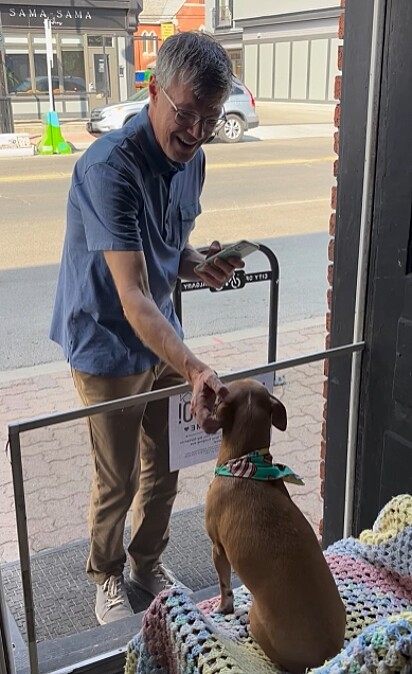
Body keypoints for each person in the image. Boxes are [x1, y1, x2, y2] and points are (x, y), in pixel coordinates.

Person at [50, 31, 243, 625]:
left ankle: (145, 562)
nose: (195, 132)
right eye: (186, 114)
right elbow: (131, 295)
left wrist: (195, 263)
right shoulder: (108, 167)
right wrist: (195, 366)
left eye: (210, 119)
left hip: (164, 335)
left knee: (168, 466)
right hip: (107, 342)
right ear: (153, 90)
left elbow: (166, 248)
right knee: (119, 477)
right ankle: (105, 576)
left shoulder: (196, 160)